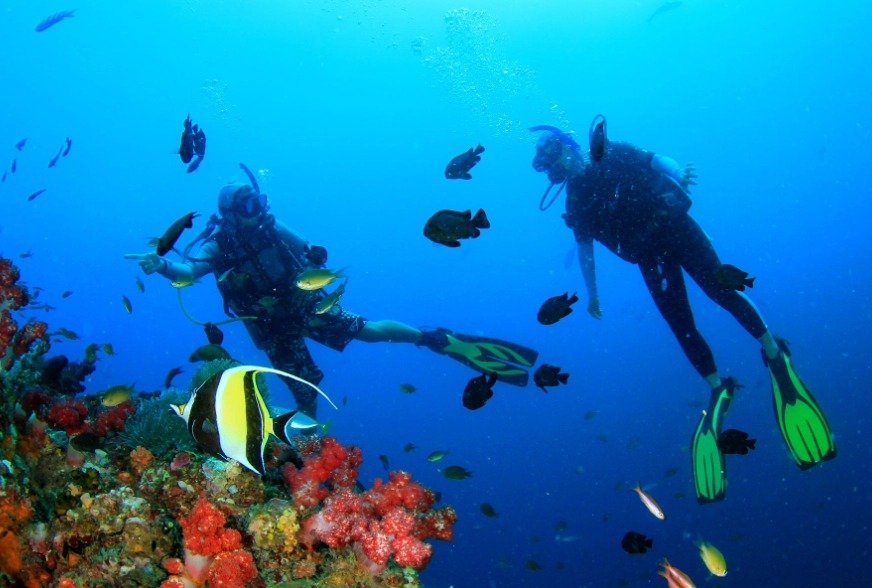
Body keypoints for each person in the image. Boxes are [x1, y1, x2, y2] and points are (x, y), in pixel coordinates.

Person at [530, 118, 835, 504]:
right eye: (549, 166)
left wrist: (679, 172)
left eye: (555, 156)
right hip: (648, 255)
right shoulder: (575, 201)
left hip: (676, 226)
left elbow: (655, 160)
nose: (558, 168)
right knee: (680, 324)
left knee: (722, 291)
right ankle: (716, 387)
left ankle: (774, 354)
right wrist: (592, 295)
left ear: (568, 146)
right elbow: (585, 249)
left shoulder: (610, 151)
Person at [129, 170, 538, 421]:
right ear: (233, 211)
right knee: (303, 390)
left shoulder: (271, 225)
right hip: (267, 325)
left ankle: (429, 337)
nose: (257, 209)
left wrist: (315, 254)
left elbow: (309, 247)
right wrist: (162, 264)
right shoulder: (219, 244)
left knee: (367, 330)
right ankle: (306, 449)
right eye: (249, 204)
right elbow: (189, 270)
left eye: (257, 201)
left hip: (305, 302)